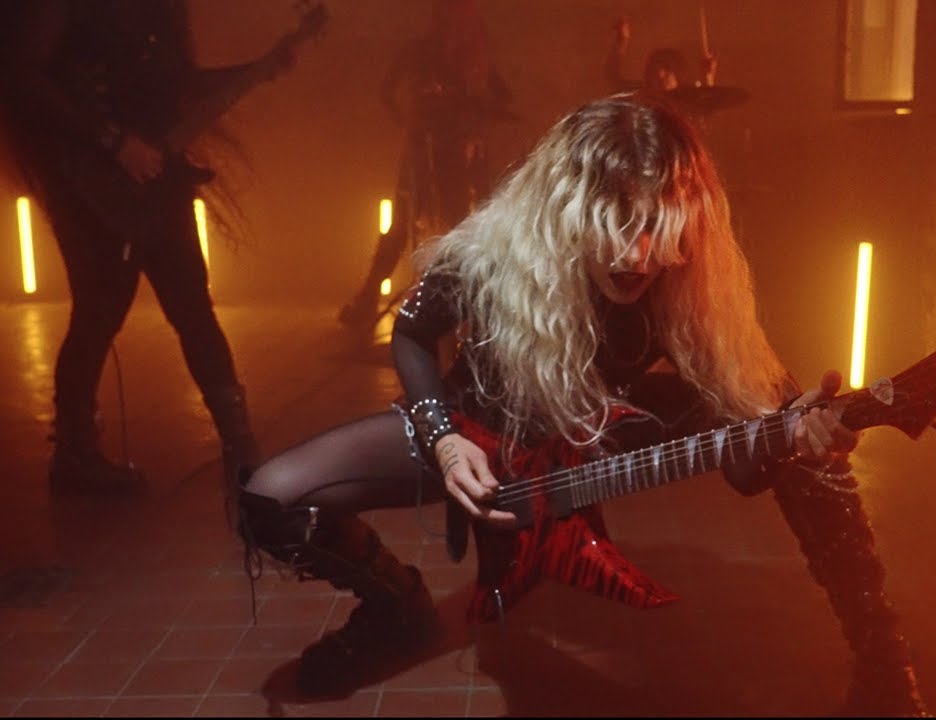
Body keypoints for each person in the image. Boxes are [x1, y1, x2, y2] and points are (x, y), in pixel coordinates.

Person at [236, 92, 860, 696]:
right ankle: (396, 606)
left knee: (787, 410)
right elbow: (413, 330)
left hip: (583, 437)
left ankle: (879, 651)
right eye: (614, 222)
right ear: (566, 209)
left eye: (654, 225)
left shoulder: (684, 282)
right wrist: (444, 439)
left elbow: (746, 472)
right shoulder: (494, 253)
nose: (637, 255)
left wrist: (789, 439)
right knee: (272, 496)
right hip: (473, 427)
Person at [0, 0, 296, 497]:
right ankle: (74, 453)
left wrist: (256, 69)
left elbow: (178, 83)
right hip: (90, 183)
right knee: (100, 313)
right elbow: (23, 77)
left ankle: (239, 442)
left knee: (192, 306)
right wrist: (113, 142)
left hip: (159, 178)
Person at [338, 0, 514, 331]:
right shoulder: (419, 51)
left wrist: (478, 111)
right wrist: (410, 120)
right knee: (404, 222)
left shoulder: (475, 56)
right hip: (423, 149)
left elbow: (503, 96)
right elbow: (387, 92)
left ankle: (470, 302)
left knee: (462, 223)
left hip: (462, 153)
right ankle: (368, 299)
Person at [605, 15, 718, 96]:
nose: (659, 74)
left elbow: (707, 104)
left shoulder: (686, 99)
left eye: (667, 69)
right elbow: (614, 78)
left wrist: (708, 77)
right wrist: (621, 41)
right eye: (654, 71)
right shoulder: (643, 94)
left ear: (678, 75)